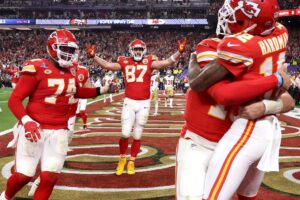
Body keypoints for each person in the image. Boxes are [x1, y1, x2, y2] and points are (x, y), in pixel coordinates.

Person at [176, 0, 295, 199]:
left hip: (232, 141)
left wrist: (266, 106)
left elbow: (288, 101)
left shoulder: (249, 51)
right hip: (199, 142)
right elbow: (214, 89)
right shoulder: (210, 46)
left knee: (242, 194)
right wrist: (276, 80)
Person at [0, 29, 108, 200]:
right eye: (64, 49)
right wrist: (27, 121)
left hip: (59, 130)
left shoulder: (73, 69)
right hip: (35, 128)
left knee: (50, 177)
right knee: (24, 175)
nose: (68, 54)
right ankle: (5, 197)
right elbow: (15, 100)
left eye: (71, 50)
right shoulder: (36, 67)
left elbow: (77, 92)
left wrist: (100, 90)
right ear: (52, 48)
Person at [86, 38, 186, 175]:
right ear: (131, 50)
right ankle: (122, 159)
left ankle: (132, 161)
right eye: (136, 49)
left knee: (137, 135)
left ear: (143, 50)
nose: (138, 51)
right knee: (125, 133)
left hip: (144, 103)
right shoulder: (124, 61)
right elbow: (108, 66)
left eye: (140, 49)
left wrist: (179, 52)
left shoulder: (149, 61)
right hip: (129, 101)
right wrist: (94, 57)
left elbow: (167, 62)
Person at [75, 65, 92, 129]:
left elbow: (87, 82)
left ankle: (85, 124)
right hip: (75, 95)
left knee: (82, 111)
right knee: (76, 114)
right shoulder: (67, 69)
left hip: (83, 94)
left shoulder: (83, 70)